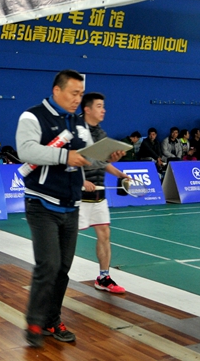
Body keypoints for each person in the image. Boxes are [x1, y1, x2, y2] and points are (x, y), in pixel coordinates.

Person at [15, 70, 93, 348]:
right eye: (74, 93)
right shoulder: (32, 116)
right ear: (57, 91)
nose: (78, 99)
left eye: (81, 94)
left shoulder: (78, 120)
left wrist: (106, 156)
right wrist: (65, 155)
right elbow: (26, 151)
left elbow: (87, 153)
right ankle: (34, 322)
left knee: (62, 269)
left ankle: (52, 320)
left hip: (71, 206)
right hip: (41, 203)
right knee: (48, 264)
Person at [79, 93, 130, 294]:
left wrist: (119, 173)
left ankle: (103, 277)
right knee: (66, 238)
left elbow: (102, 162)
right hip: (78, 196)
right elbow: (65, 161)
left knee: (104, 233)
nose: (104, 110)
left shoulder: (101, 134)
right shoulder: (75, 131)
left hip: (98, 194)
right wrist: (80, 180)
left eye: (103, 106)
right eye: (99, 106)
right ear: (87, 109)